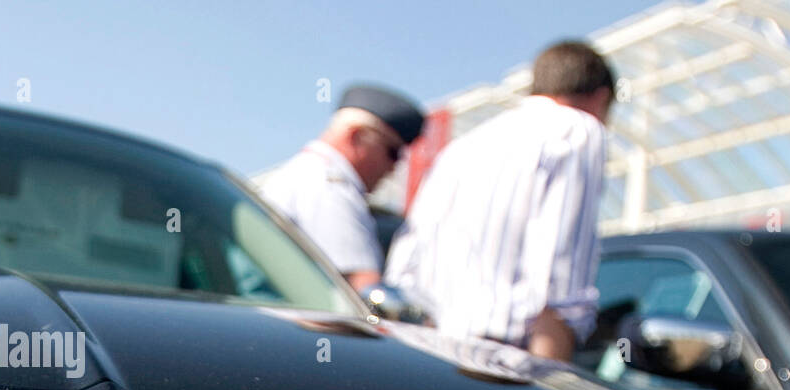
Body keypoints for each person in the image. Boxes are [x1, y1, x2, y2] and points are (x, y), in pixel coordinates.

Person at [384, 41, 614, 362]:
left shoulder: (461, 147)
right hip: (507, 365)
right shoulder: (578, 129)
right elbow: (560, 281)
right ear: (601, 98)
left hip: (429, 353)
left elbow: (405, 268)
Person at [263, 84, 424, 291]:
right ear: (356, 137)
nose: (393, 168)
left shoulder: (305, 174)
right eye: (392, 153)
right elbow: (363, 287)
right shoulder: (329, 186)